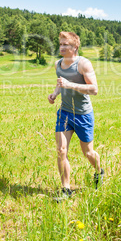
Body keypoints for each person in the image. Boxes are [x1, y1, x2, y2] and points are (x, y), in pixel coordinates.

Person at [48, 31, 104, 198]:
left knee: (88, 153)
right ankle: (66, 189)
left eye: (65, 44)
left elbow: (94, 89)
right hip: (65, 112)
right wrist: (55, 93)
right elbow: (60, 82)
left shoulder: (83, 64)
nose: (62, 47)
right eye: (60, 44)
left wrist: (69, 84)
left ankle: (99, 171)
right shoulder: (58, 64)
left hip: (83, 115)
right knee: (61, 150)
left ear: (75, 47)